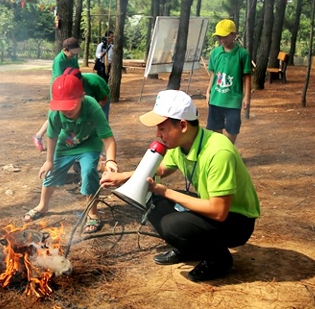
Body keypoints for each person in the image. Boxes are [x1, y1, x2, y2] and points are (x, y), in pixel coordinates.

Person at [100, 90, 260, 282]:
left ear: (182, 125)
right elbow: (161, 169)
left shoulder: (219, 152)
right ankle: (189, 249)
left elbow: (219, 211)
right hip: (212, 208)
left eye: (162, 128)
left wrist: (165, 191)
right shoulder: (183, 144)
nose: (157, 134)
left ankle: (219, 260)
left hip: (236, 221)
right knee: (151, 200)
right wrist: (122, 177)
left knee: (172, 224)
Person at [24, 70, 119, 234]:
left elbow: (108, 138)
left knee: (89, 171)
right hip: (65, 144)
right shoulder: (54, 113)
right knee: (51, 173)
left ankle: (93, 213)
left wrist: (110, 160)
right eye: (62, 107)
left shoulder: (91, 106)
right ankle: (43, 205)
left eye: (70, 106)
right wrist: (49, 161)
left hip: (90, 143)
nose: (66, 111)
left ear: (82, 96)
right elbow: (52, 136)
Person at [206, 19, 252, 144]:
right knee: (214, 128)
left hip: (233, 100)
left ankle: (229, 149)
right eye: (219, 37)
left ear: (233, 34)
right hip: (216, 98)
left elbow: (247, 76)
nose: (221, 40)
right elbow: (213, 74)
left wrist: (247, 97)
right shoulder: (215, 53)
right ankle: (219, 151)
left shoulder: (242, 54)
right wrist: (208, 91)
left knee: (232, 129)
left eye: (224, 36)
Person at [33, 37, 82, 151]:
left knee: (68, 112)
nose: (74, 55)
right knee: (57, 114)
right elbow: (60, 79)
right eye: (72, 53)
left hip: (70, 88)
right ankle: (39, 136)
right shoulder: (59, 60)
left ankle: (68, 138)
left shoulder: (72, 58)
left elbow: (76, 72)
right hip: (59, 89)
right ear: (65, 50)